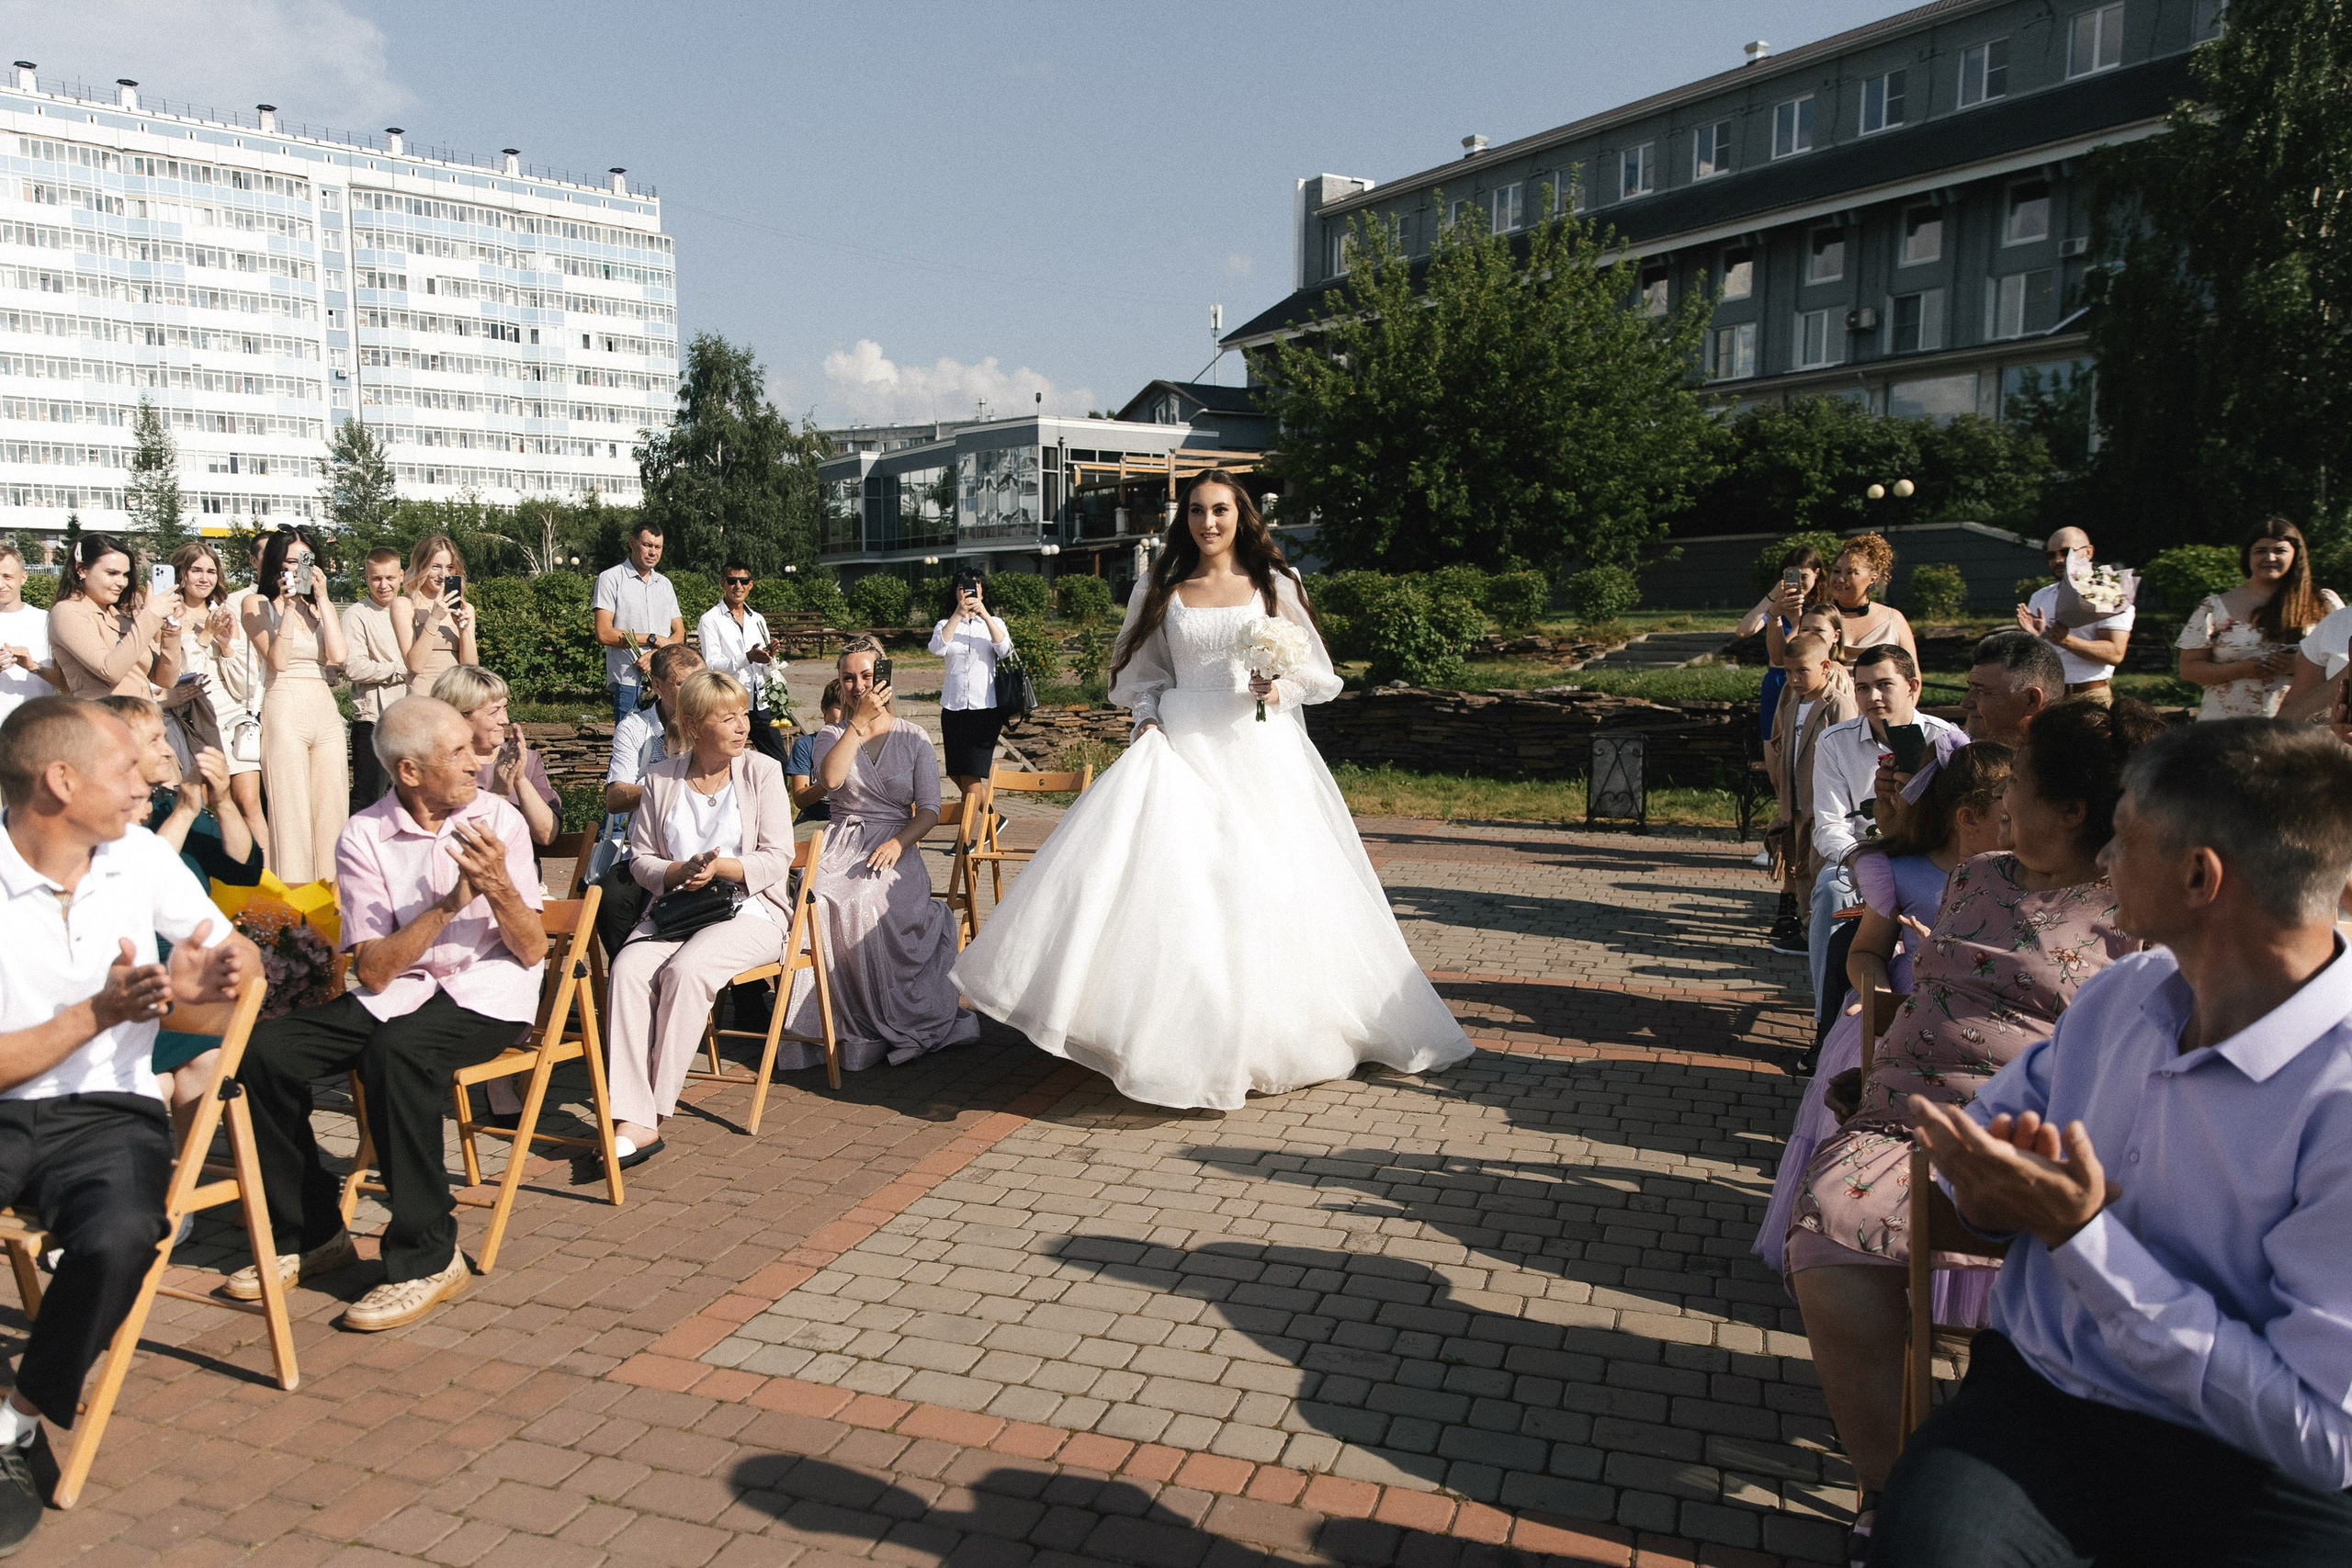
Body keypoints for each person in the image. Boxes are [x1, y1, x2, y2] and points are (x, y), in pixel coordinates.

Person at [1883, 717, 2352, 1564]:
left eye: (2126, 834)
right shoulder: (2126, 993)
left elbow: (2323, 1435)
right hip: (2044, 1408)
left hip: (2260, 1475)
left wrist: (2082, 1237)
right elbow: (1991, 1129)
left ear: (2200, 876)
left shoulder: (2341, 1095)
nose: (2103, 859)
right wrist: (1984, 1192)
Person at [951, 469, 1476, 1110]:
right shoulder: (1161, 587)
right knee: (1182, 892)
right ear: (1185, 519)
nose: (1208, 522)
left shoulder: (1275, 584)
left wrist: (1278, 689)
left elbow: (1318, 674)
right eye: (1197, 511)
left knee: (1264, 887)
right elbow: (1139, 675)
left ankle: (1277, 1030)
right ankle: (1184, 1034)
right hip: (1179, 745)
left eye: (1221, 510)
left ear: (1242, 515)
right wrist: (1146, 720)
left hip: (1259, 748)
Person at [1787, 698, 2164, 1559]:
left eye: (2020, 784)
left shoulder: (2130, 912)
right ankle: (1884, 1480)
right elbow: (1928, 983)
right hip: (1896, 1114)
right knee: (1828, 1230)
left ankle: (1998, 1460)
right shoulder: (1979, 875)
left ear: (2070, 809)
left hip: (2025, 1136)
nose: (2002, 800)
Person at [0, 697, 254, 1551]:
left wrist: (208, 978)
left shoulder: (138, 856)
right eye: (125, 768)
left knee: (121, 1233)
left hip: (109, 1113)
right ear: (60, 780)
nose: (149, 779)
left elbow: (239, 962)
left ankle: (18, 1420)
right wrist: (97, 1013)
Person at [232, 697, 547, 1333]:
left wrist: (502, 889)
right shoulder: (365, 835)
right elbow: (374, 970)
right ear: (410, 772)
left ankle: (428, 1257)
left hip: (488, 992)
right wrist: (451, 904)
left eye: (471, 747)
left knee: (397, 1053)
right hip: (397, 990)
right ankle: (316, 1231)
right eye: (456, 753)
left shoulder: (499, 819)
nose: (474, 761)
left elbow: (533, 947)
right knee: (263, 1051)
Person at [1752, 737, 2009, 1281]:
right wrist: (1873, 993)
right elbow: (1867, 950)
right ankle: (1846, 1249)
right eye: (2005, 817)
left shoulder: (2019, 883)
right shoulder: (1906, 873)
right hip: (1893, 1017)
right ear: (1969, 817)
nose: (2015, 831)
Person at [606, 671, 796, 1165]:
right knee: (626, 971)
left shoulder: (763, 772)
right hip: (678, 908)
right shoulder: (660, 779)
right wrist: (676, 871)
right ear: (692, 725)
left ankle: (648, 1115)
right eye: (727, 717)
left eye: (743, 713)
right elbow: (639, 858)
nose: (742, 725)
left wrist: (721, 868)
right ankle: (632, 1110)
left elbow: (779, 856)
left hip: (749, 909)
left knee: (687, 970)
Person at [779, 638, 979, 1070]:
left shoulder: (914, 737)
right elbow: (830, 782)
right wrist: (857, 724)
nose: (857, 686)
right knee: (818, 898)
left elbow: (927, 810)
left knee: (864, 901)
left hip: (896, 845)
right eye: (848, 678)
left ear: (883, 676)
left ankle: (888, 1017)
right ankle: (836, 1024)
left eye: (866, 676)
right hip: (841, 843)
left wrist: (899, 842)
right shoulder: (832, 735)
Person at [95, 695, 264, 1131]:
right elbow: (141, 886)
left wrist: (223, 802)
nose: (170, 749)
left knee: (206, 1061)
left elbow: (244, 868)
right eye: (155, 740)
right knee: (159, 1083)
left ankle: (178, 1190)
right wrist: (188, 813)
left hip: (186, 992)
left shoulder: (170, 804)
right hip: (129, 989)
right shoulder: (100, 824)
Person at [1805, 645, 1960, 1005]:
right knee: (1830, 892)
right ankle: (1823, 1017)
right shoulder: (1834, 741)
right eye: (1861, 687)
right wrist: (1861, 861)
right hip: (1859, 857)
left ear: (1912, 686)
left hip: (1928, 858)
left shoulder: (1944, 739)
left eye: (1884, 685)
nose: (1872, 697)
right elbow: (1829, 825)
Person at [243, 526, 349, 885]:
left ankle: (334, 900)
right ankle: (294, 904)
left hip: (323, 705)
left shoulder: (319, 607)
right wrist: (288, 609)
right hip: (284, 703)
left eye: (305, 561)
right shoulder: (256, 604)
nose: (297, 569)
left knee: (332, 807)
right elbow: (279, 661)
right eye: (290, 561)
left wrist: (323, 599)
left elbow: (338, 655)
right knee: (290, 812)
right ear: (275, 564)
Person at [2178, 517, 2339, 722]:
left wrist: (2301, 667)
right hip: (2225, 729)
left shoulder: (2323, 604)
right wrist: (2240, 669)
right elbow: (2188, 669)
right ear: (2248, 556)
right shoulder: (2214, 607)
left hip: (2299, 731)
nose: (2269, 557)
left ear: (2296, 555)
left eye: (2280, 551)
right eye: (2260, 551)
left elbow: (2344, 666)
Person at [1762, 630, 1856, 956]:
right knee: (1800, 868)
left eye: (1802, 670)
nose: (1794, 678)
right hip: (1796, 803)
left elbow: (1848, 755)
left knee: (1821, 869)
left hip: (1825, 804)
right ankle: (1807, 930)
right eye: (1788, 671)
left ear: (1826, 666)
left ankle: (1826, 932)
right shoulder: (1791, 702)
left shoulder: (1838, 704)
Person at [430, 666, 559, 850]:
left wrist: (520, 780)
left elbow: (546, 835)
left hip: (518, 876)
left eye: (505, 708)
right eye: (493, 712)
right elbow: (444, 843)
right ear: (459, 717)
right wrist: (498, 793)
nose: (504, 720)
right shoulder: (433, 767)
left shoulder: (527, 759)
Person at [48, 534, 180, 700]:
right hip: (101, 720)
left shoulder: (121, 617)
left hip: (142, 719)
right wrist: (150, 615)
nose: (122, 582)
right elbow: (110, 670)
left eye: (126, 575)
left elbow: (166, 680)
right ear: (81, 570)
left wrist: (171, 629)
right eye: (112, 573)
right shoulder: (67, 612)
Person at [929, 570, 1015, 805]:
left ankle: (964, 839)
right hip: (953, 707)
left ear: (982, 592)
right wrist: (958, 614)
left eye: (973, 588)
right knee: (957, 774)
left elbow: (1005, 650)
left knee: (971, 775)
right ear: (955, 592)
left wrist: (985, 615)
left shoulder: (994, 623)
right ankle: (993, 822)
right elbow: (937, 648)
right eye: (962, 588)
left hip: (984, 708)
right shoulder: (945, 624)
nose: (966, 593)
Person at [2020, 526, 2133, 703]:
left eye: (2066, 552)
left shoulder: (2111, 595)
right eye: (2051, 555)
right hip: (2048, 696)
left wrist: (2065, 640)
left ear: (2088, 552)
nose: (2058, 560)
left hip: (2089, 696)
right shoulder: (2040, 596)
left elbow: (2115, 653)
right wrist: (2038, 637)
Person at [697, 562, 789, 764]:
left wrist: (769, 656)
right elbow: (711, 666)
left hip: (760, 701)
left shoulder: (757, 619)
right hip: (729, 702)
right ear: (723, 584)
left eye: (743, 581)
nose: (738, 586)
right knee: (725, 758)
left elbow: (764, 667)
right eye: (732, 581)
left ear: (751, 585)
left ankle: (774, 796)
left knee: (779, 760)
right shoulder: (710, 620)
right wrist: (747, 657)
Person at [593, 522, 684, 726]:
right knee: (629, 749)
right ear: (632, 543)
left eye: (657, 547)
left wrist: (656, 654)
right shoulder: (610, 578)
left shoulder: (665, 584)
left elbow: (679, 633)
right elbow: (604, 633)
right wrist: (652, 639)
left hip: (664, 681)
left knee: (667, 747)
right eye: (647, 545)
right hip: (629, 682)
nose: (653, 552)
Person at [1737, 543, 1828, 745]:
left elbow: (1791, 650)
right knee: (1773, 745)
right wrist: (1773, 598)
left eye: (1803, 576)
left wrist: (1798, 619)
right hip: (1777, 681)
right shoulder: (1778, 608)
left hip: (1808, 682)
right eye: (1791, 576)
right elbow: (1744, 630)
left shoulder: (1821, 611)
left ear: (1817, 574)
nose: (1798, 583)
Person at [342, 547, 410, 809]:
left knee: (407, 798)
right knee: (368, 797)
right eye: (376, 578)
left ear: (401, 576)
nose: (384, 585)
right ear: (366, 578)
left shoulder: (410, 609)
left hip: (410, 717)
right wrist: (400, 668)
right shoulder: (356, 615)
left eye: (390, 578)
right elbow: (354, 667)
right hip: (374, 719)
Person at [159, 542, 237, 761]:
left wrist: (225, 645)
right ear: (181, 573)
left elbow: (242, 675)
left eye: (211, 571)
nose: (204, 579)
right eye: (196, 570)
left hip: (230, 709)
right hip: (190, 711)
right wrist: (206, 636)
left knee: (245, 796)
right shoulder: (167, 615)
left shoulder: (223, 613)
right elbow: (172, 671)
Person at [392, 535, 477, 699]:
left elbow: (471, 669)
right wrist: (434, 618)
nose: (443, 575)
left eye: (450, 568)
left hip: (457, 698)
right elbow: (415, 665)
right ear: (421, 567)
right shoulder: (404, 605)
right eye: (436, 567)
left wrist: (464, 630)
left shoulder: (466, 609)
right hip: (424, 699)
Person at [1957, 628, 2064, 747]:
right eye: (1970, 688)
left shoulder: (2073, 762)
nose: (1965, 703)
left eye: (1982, 692)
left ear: (2031, 701)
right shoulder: (1950, 753)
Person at [1822, 535, 1917, 667]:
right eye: (1837, 571)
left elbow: (1913, 677)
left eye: (1851, 573)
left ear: (1873, 578)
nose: (1841, 579)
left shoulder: (1893, 619)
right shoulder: (1818, 616)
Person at [0, 542, 54, 725]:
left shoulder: (47, 621)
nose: (1, 584)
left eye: (7, 576)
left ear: (23, 577)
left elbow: (68, 680)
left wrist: (33, 666)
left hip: (38, 728)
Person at [787, 680, 843, 827]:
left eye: (851, 711)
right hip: (816, 820)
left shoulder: (863, 743)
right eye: (840, 709)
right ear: (824, 707)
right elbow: (800, 799)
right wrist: (830, 781)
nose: (845, 717)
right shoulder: (806, 745)